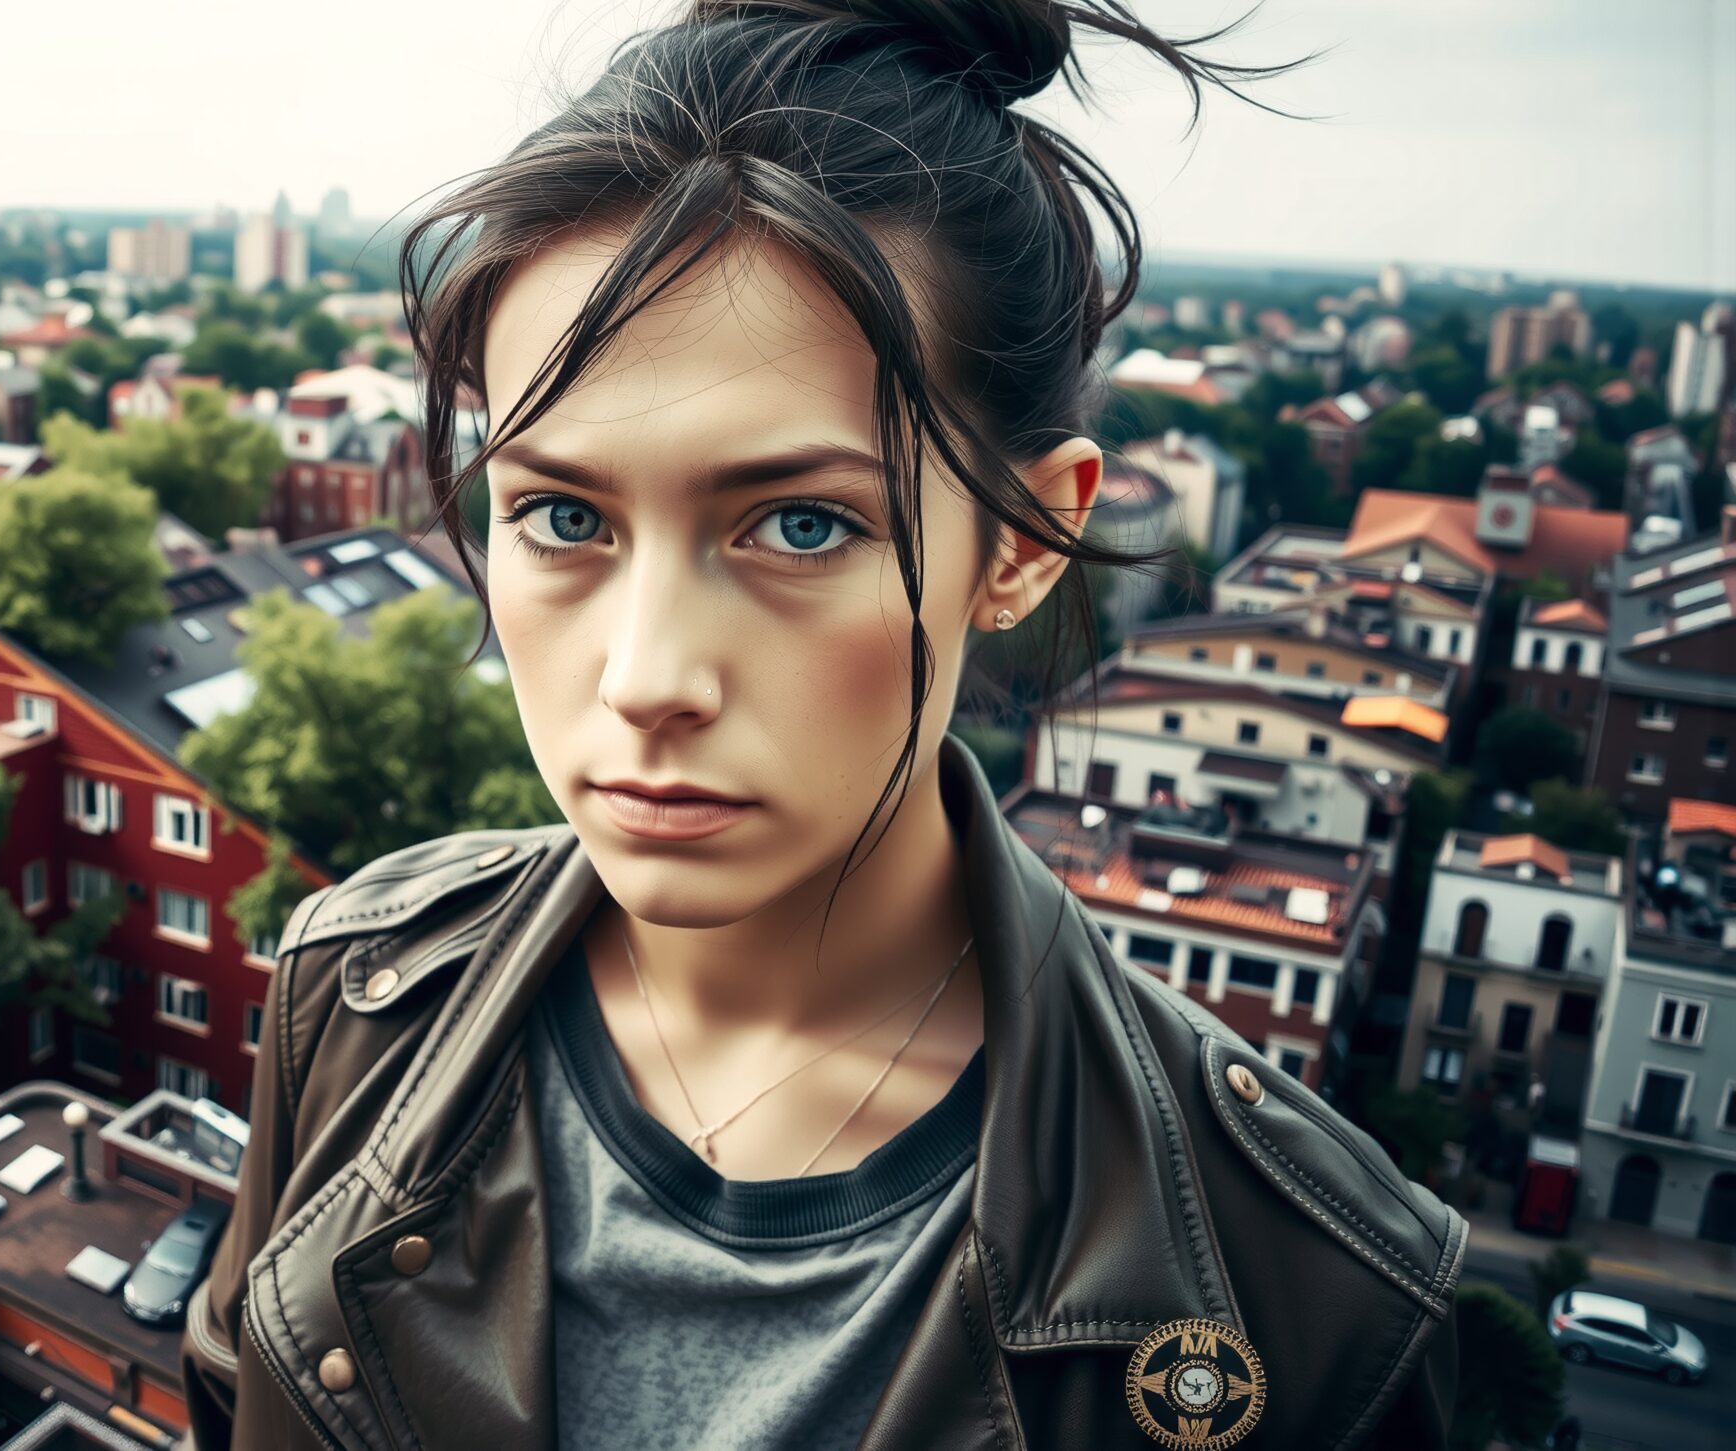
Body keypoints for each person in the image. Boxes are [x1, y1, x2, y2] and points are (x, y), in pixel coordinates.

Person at [180, 3, 1465, 1447]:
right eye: (559, 513)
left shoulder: (1312, 1296)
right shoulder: (355, 1002)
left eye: (800, 524)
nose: (647, 676)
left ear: (1026, 541)